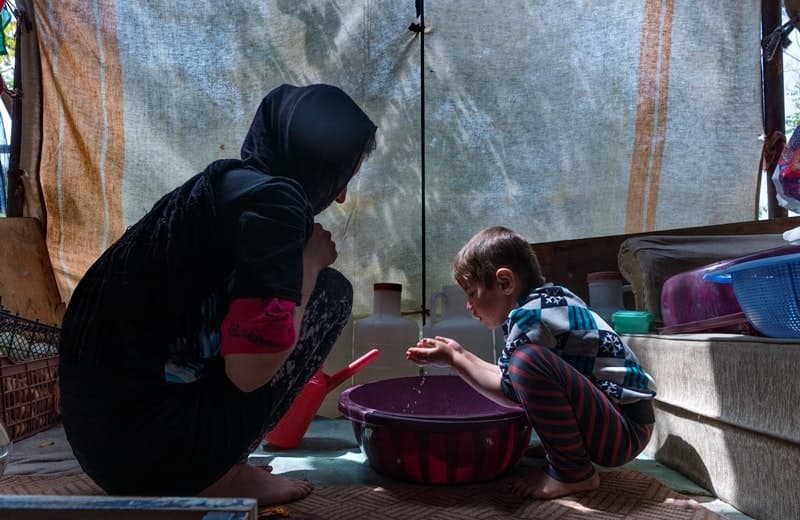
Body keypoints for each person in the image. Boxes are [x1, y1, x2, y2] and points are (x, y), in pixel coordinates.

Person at [59, 84, 377, 506]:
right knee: (330, 292)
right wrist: (310, 264)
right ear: (319, 163)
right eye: (342, 176)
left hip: (100, 446)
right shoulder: (277, 204)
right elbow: (250, 371)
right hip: (150, 454)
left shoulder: (224, 186)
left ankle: (210, 462)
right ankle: (218, 476)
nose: (340, 196)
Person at [406, 226, 656, 499]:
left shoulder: (529, 317)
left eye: (472, 292)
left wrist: (456, 360)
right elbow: (512, 377)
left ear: (504, 283)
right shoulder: (549, 301)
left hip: (623, 431)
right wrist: (459, 353)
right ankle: (565, 452)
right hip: (623, 420)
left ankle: (573, 472)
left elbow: (511, 389)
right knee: (522, 363)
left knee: (526, 361)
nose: (469, 305)